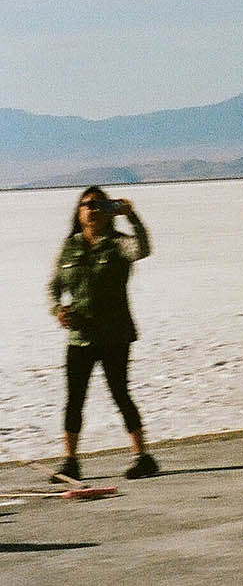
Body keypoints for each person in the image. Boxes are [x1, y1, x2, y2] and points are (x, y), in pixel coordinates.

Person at [47, 185, 160, 481]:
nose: (92, 209)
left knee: (120, 393)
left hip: (114, 335)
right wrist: (58, 309)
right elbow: (54, 287)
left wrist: (131, 216)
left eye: (98, 204)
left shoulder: (119, 244)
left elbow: (143, 249)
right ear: (79, 211)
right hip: (80, 336)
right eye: (87, 204)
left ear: (109, 212)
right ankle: (70, 462)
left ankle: (142, 457)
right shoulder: (70, 246)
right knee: (75, 399)